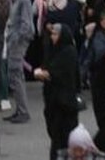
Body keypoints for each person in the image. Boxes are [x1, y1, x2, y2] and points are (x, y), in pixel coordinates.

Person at [35, 22, 80, 160]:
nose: (52, 37)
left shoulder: (69, 52)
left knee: (63, 140)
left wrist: (40, 73)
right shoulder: (53, 50)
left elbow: (55, 72)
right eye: (52, 34)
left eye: (55, 34)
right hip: (53, 101)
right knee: (56, 136)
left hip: (65, 104)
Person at [2, 0, 35, 124]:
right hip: (12, 40)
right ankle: (19, 109)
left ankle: (23, 111)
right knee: (15, 75)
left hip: (18, 41)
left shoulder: (24, 0)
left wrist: (15, 40)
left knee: (15, 74)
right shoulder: (12, 0)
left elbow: (26, 25)